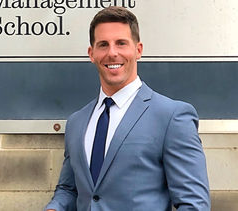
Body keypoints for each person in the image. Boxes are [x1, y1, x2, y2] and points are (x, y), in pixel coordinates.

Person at [45, 6, 210, 211]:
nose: (112, 53)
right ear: (92, 53)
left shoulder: (172, 117)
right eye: (103, 45)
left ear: (138, 50)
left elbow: (194, 204)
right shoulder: (77, 122)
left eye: (121, 43)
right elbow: (69, 190)